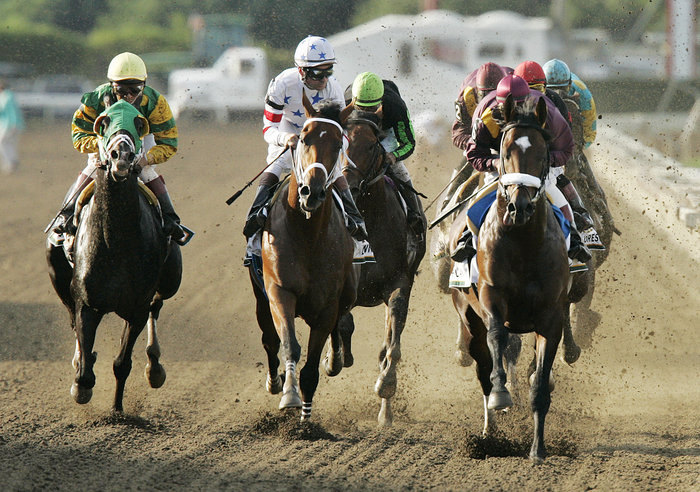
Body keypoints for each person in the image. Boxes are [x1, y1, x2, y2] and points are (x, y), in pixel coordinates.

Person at [52, 52, 191, 245]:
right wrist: (99, 148)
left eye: (135, 89)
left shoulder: (155, 103)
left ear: (144, 85)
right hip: (105, 142)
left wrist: (145, 160)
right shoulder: (97, 98)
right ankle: (65, 217)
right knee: (91, 168)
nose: (128, 96)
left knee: (148, 172)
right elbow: (79, 134)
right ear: (111, 85)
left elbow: (169, 143)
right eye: (121, 89)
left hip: (141, 139)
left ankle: (171, 220)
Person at [453, 74, 592, 266]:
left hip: (539, 159)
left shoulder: (549, 114)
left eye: (521, 105)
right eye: (511, 108)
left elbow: (567, 148)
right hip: (500, 158)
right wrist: (494, 163)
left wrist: (545, 160)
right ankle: (467, 239)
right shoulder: (485, 116)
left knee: (554, 190)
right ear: (501, 105)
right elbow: (474, 154)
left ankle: (575, 239)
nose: (517, 112)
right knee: (480, 194)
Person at [243, 35, 367, 241]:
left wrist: (335, 145)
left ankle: (356, 223)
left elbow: (341, 133)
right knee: (275, 164)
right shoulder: (281, 84)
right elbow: (269, 129)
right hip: (288, 129)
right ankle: (254, 223)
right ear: (302, 70)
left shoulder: (333, 88)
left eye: (329, 71)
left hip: (320, 134)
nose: (325, 79)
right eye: (319, 73)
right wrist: (286, 139)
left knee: (334, 171)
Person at [344, 71, 423, 235]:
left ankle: (414, 214)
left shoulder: (396, 107)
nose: (368, 114)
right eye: (362, 108)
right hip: (357, 134)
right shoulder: (344, 100)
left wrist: (394, 156)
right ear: (353, 102)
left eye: (372, 109)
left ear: (381, 102)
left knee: (398, 169)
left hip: (385, 133)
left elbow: (408, 143)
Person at [441, 62, 511, 210]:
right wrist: (475, 142)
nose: (491, 100)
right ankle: (448, 200)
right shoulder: (466, 97)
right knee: (468, 156)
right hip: (480, 135)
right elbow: (458, 133)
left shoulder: (515, 87)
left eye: (496, 95)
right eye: (485, 95)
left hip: (507, 135)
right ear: (477, 92)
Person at [543, 59, 597, 150]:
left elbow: (589, 124)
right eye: (551, 90)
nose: (557, 94)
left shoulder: (582, 92)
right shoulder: (535, 90)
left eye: (561, 88)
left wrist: (581, 147)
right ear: (542, 86)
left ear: (570, 84)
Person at [513, 60, 571, 126]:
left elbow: (566, 132)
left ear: (545, 87)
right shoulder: (508, 101)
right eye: (524, 89)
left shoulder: (555, 100)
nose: (533, 94)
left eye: (537, 88)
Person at [0, 79, 24, 174]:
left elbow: (10, 111)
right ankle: (12, 161)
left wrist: (13, 124)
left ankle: (10, 162)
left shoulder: (6, 96)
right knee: (8, 143)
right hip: (10, 124)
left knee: (3, 142)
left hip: (10, 124)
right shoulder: (8, 96)